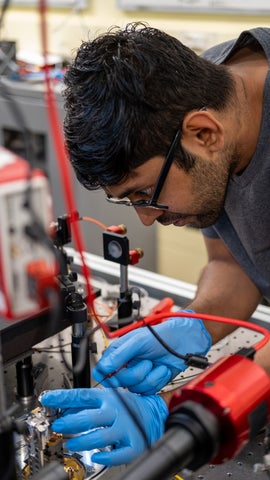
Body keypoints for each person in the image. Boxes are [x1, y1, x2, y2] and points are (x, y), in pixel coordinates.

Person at [41, 23, 270, 467]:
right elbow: (232, 261)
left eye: (146, 194)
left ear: (204, 134)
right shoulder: (212, 87)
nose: (148, 218)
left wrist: (183, 413)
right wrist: (194, 325)